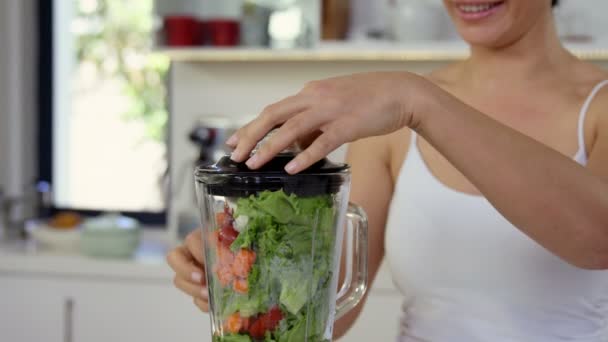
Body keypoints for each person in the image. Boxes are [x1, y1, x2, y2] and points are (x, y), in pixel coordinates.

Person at [167, 0, 608, 340]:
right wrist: (245, 265)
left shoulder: (409, 104)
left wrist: (415, 98)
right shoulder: (399, 113)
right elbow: (326, 307)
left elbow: (598, 237)